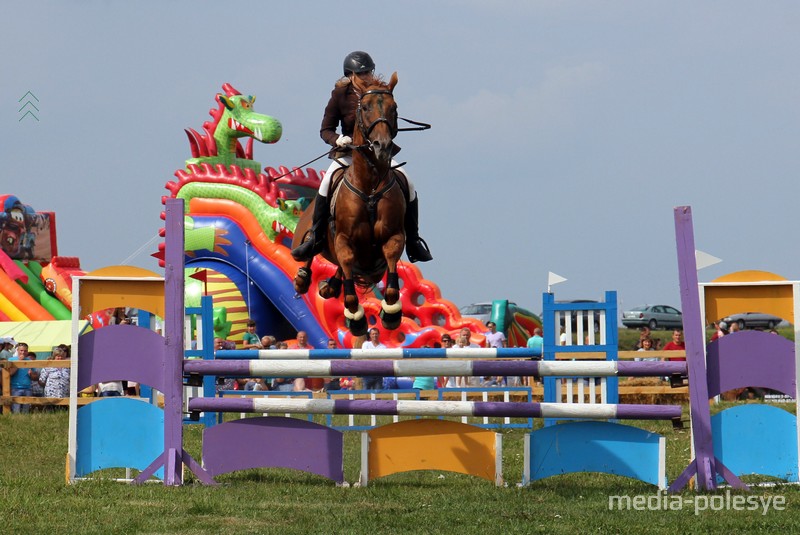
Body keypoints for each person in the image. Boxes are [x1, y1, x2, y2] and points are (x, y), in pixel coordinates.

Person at [290, 50, 432, 264]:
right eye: (362, 73)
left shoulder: (380, 93)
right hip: (349, 155)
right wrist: (338, 139)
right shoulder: (340, 95)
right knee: (326, 184)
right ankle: (315, 237)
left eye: (369, 71)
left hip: (379, 155)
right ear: (351, 75)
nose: (366, 76)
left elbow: (389, 123)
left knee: (408, 183)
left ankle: (413, 240)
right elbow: (325, 130)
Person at [8, 342, 38, 413]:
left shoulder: (30, 361)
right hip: (15, 388)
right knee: (16, 410)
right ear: (17, 350)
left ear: (27, 351)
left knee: (26, 411)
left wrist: (31, 374)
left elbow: (35, 377)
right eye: (21, 350)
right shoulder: (11, 360)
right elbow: (10, 373)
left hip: (28, 388)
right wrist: (19, 361)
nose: (23, 352)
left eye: (25, 351)